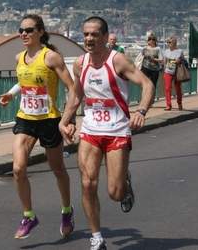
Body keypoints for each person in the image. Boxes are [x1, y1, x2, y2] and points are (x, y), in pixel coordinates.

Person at [58, 16, 155, 250]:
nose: (89, 39)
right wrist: (65, 120)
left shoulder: (117, 60)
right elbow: (77, 94)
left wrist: (141, 111)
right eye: (85, 34)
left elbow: (148, 85)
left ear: (104, 36)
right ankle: (97, 238)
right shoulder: (80, 64)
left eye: (94, 34)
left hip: (117, 131)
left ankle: (125, 185)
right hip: (91, 130)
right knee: (88, 184)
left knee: (115, 192)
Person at [0, 14, 75, 240]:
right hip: (26, 120)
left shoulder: (51, 58)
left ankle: (67, 211)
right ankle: (29, 215)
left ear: (40, 32)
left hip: (50, 120)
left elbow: (72, 88)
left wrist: (69, 120)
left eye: (29, 30)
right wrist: (11, 94)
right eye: (21, 30)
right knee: (18, 169)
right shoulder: (19, 57)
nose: (24, 33)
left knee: (58, 169)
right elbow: (24, 81)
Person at [136, 33, 163, 102]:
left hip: (154, 69)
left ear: (155, 41)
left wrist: (154, 59)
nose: (151, 41)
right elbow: (139, 57)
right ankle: (144, 100)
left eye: (153, 39)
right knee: (145, 84)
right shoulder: (145, 49)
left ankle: (151, 100)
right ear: (148, 41)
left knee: (153, 85)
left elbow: (161, 59)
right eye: (150, 39)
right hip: (145, 68)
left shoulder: (158, 49)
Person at [163, 37, 184, 111]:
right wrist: (164, 72)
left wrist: (180, 60)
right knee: (167, 89)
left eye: (170, 42)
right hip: (168, 72)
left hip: (177, 72)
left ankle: (179, 103)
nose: (168, 44)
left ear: (174, 43)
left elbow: (184, 61)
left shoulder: (180, 51)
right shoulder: (166, 51)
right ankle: (168, 105)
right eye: (168, 42)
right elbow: (165, 62)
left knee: (177, 89)